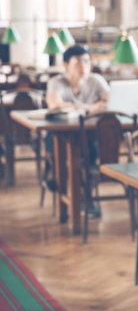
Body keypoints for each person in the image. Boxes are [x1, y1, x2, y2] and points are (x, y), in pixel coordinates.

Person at [45, 46, 109, 217]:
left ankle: (66, 182)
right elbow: (55, 105)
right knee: (82, 159)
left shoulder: (95, 80)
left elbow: (111, 100)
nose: (83, 66)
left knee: (88, 154)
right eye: (78, 62)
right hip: (60, 133)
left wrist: (98, 106)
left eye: (87, 61)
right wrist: (90, 108)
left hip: (87, 133)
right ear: (66, 65)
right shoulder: (57, 82)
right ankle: (78, 192)